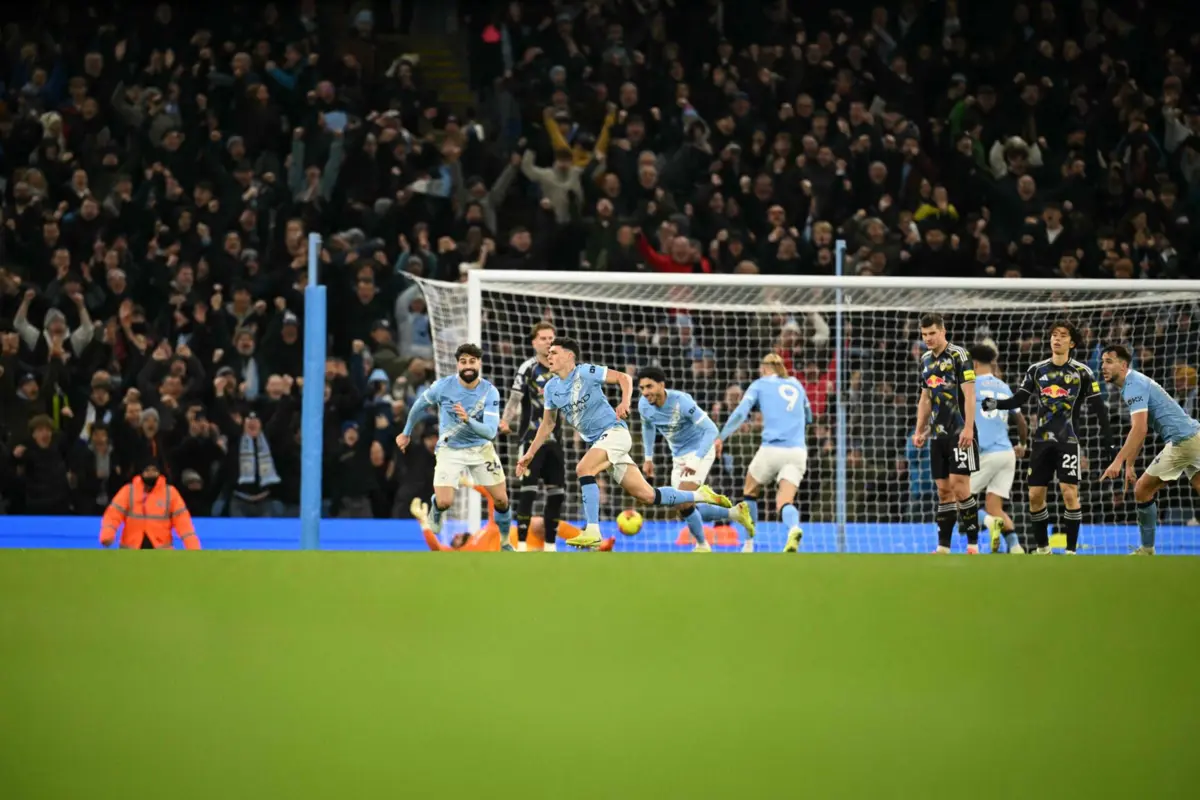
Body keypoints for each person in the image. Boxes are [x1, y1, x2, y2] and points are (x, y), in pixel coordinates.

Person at [516, 336, 730, 550]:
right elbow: (547, 425)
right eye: (548, 352)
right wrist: (530, 454)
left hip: (615, 433)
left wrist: (624, 402)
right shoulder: (552, 388)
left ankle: (592, 530)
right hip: (600, 442)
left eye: (554, 352)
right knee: (647, 495)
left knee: (583, 468)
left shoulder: (585, 372)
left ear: (569, 356)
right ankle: (700, 495)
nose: (549, 355)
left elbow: (624, 378)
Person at [985, 322, 1115, 554]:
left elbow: (1099, 409)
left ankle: (1071, 550)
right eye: (1054, 335)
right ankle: (1043, 549)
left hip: (1068, 441)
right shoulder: (1036, 370)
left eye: (1063, 336)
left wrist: (1109, 440)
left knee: (1069, 492)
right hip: (1041, 442)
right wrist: (996, 404)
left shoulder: (1083, 372)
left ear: (1071, 343)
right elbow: (1018, 400)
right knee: (1035, 496)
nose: (1057, 339)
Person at [395, 343, 511, 548]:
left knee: (501, 500)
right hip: (450, 449)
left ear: (479, 363)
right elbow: (419, 406)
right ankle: (436, 506)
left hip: (481, 448)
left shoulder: (489, 392)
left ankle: (505, 540)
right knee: (445, 502)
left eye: (472, 361)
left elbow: (490, 431)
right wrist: (406, 432)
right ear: (458, 364)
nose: (468, 366)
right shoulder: (443, 386)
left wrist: (468, 420)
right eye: (463, 361)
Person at [637, 366, 755, 553]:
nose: (645, 392)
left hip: (701, 449)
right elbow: (648, 428)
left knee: (683, 498)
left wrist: (696, 460)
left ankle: (704, 539)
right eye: (642, 388)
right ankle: (723, 523)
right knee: (682, 505)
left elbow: (711, 430)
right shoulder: (643, 406)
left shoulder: (681, 401)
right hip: (678, 456)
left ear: (661, 385)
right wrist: (648, 458)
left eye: (649, 387)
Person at [1100, 344, 1200, 556]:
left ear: (1123, 365)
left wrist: (1118, 461)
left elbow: (1140, 428)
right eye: (1102, 362)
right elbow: (1139, 430)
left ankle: (1147, 549)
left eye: (1109, 361)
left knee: (1142, 490)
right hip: (1194, 436)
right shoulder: (1135, 381)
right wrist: (1130, 464)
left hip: (1182, 441)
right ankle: (1147, 549)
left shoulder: (1133, 384)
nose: (1103, 367)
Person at [718, 354, 812, 553]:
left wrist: (721, 437)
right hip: (797, 451)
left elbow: (740, 413)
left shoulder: (759, 384)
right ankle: (794, 528)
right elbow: (809, 416)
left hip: (772, 449)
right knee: (785, 502)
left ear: (765, 368)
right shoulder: (796, 384)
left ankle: (749, 543)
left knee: (750, 491)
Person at [912, 313, 979, 554]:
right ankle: (943, 546)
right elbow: (925, 398)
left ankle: (972, 544)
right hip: (937, 435)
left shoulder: (959, 355)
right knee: (943, 491)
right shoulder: (926, 360)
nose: (928, 338)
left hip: (960, 431)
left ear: (943, 331)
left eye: (932, 333)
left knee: (961, 488)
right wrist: (920, 430)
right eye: (924, 334)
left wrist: (969, 427)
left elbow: (970, 394)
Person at [501, 321, 565, 552]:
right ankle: (522, 543)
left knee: (557, 493)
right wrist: (506, 420)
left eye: (551, 338)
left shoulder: (563, 368)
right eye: (543, 338)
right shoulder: (527, 368)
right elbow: (515, 398)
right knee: (528, 491)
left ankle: (550, 545)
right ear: (534, 342)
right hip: (530, 440)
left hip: (555, 441)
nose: (548, 342)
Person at [413, 487, 615, 552]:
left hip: (528, 538)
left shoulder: (488, 527)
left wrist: (471, 484)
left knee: (539, 522)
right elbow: (436, 548)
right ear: (456, 547)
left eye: (455, 535)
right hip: (517, 555)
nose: (455, 535)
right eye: (453, 540)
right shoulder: (465, 553)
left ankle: (593, 543)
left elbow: (493, 498)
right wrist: (424, 522)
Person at [969, 345, 1027, 554]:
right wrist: (1023, 444)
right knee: (995, 507)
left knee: (960, 499)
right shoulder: (1003, 386)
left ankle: (990, 524)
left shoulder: (970, 386)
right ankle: (1016, 547)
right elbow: (1020, 420)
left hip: (987, 453)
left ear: (974, 364)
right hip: (1007, 453)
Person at [100, 458, 201, 550]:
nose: (151, 473)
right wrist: (107, 535)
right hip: (131, 549)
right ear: (141, 473)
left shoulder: (170, 493)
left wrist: (192, 546)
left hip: (161, 551)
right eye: (147, 470)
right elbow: (113, 514)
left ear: (159, 472)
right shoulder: (128, 491)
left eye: (154, 470)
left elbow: (183, 521)